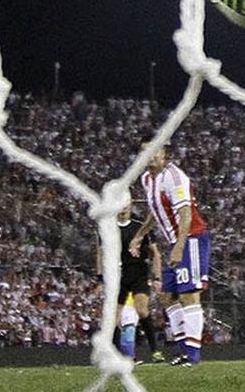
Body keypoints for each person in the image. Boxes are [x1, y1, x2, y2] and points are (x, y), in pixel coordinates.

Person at [128, 145, 209, 366]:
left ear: (164, 153)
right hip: (177, 241)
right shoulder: (147, 179)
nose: (151, 154)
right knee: (166, 297)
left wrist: (179, 246)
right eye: (145, 151)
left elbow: (186, 214)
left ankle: (192, 356)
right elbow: (155, 211)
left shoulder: (174, 177)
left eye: (156, 150)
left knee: (189, 295)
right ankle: (183, 350)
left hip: (191, 238)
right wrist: (139, 235)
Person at [98, 203, 162, 362]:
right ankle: (114, 356)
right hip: (118, 276)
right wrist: (100, 278)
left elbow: (156, 254)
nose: (122, 208)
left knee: (141, 310)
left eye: (125, 205)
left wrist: (157, 278)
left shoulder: (141, 228)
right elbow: (100, 254)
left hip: (138, 273)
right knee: (114, 317)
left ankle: (155, 351)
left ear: (130, 206)